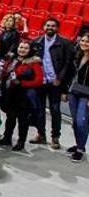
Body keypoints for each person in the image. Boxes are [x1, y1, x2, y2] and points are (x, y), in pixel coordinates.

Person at [30, 18, 75, 150]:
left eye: (53, 26)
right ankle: (41, 135)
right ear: (43, 27)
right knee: (39, 109)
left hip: (55, 83)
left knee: (55, 111)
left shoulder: (65, 43)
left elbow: (68, 65)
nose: (50, 27)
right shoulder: (36, 42)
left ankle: (55, 138)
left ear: (57, 28)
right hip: (40, 82)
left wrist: (60, 80)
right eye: (48, 25)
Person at [0, 42, 43, 152]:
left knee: (23, 120)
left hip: (23, 96)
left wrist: (22, 84)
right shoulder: (12, 59)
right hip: (10, 93)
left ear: (30, 50)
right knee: (10, 117)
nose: (22, 49)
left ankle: (21, 142)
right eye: (21, 47)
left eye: (26, 48)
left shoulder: (34, 63)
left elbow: (38, 81)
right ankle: (7, 138)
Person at [67, 32, 89, 162]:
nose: (84, 43)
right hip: (72, 91)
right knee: (75, 122)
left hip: (86, 94)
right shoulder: (77, 55)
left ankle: (80, 149)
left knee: (82, 122)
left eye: (87, 42)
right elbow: (70, 74)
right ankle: (78, 145)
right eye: (83, 41)